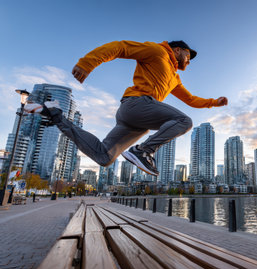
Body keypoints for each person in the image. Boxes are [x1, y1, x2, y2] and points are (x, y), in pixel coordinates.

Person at [25, 40, 228, 175]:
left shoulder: (174, 78)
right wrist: (87, 63)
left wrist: (213, 102)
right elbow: (121, 47)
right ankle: (143, 151)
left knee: (104, 156)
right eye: (188, 56)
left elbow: (190, 99)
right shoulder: (157, 51)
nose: (188, 61)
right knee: (184, 121)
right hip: (136, 104)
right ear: (177, 50)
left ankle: (57, 116)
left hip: (137, 121)